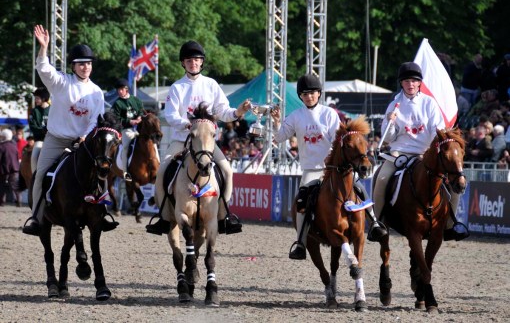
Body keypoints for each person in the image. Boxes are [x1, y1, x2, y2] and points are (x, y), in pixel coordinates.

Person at [270, 74, 387, 260]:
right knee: (301, 201)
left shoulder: (329, 114)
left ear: (319, 94)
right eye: (305, 94)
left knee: (358, 188)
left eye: (313, 92)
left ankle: (374, 223)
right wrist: (277, 122)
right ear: (301, 96)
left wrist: (335, 159)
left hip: (333, 168)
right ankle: (300, 242)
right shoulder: (295, 116)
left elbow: (339, 139)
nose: (309, 96)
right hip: (310, 169)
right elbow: (279, 137)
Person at [146, 40, 250, 235]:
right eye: (189, 60)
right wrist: (186, 124)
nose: (193, 63)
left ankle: (224, 216)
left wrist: (239, 112)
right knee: (161, 172)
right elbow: (170, 115)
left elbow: (223, 111)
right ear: (183, 63)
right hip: (182, 140)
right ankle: (163, 217)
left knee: (228, 171)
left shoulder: (211, 84)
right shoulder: (177, 87)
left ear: (202, 62)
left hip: (206, 143)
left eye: (196, 59)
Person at [22, 24, 116, 236]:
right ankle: (36, 218)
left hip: (83, 143)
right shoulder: (61, 83)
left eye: (88, 64)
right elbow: (44, 69)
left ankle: (104, 212)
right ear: (73, 67)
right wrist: (44, 47)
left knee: (100, 173)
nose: (85, 67)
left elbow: (96, 119)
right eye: (81, 64)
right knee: (40, 176)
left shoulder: (97, 92)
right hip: (56, 140)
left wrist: (86, 136)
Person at [373, 62, 468, 242]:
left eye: (414, 81)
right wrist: (390, 121)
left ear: (419, 83)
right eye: (407, 81)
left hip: (425, 154)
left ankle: (450, 224)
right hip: (399, 153)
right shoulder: (395, 104)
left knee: (455, 184)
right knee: (382, 179)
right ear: (401, 83)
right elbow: (388, 138)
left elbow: (437, 131)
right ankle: (377, 223)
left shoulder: (429, 103)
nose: (410, 84)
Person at [110, 78, 144, 182]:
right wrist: (129, 122)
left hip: (139, 128)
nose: (119, 92)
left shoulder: (136, 100)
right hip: (126, 130)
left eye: (121, 89)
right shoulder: (117, 104)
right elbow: (115, 119)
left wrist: (140, 117)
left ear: (126, 89)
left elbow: (141, 111)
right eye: (118, 90)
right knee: (125, 148)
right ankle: (125, 172)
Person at [29, 86, 51, 172]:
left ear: (44, 98)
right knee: (34, 156)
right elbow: (32, 126)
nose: (35, 100)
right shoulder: (34, 111)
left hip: (54, 140)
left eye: (37, 98)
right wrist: (43, 131)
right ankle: (35, 175)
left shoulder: (53, 110)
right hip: (40, 140)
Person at [0, 128, 21, 207]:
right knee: (15, 186)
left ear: (4, 137)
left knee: (1, 186)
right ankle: (19, 201)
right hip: (15, 168)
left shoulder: (1, 146)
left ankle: (2, 202)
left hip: (4, 169)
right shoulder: (14, 145)